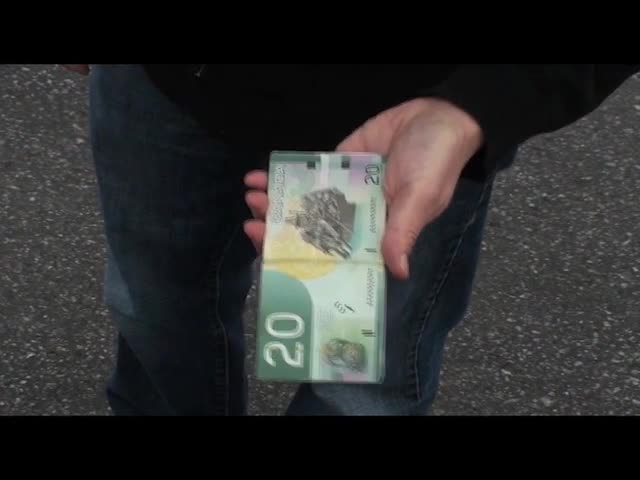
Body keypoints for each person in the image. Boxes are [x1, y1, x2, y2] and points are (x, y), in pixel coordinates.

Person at [62, 64, 638, 416]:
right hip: (168, 83)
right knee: (155, 312)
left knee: (360, 382)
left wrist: (483, 101)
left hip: (400, 120)